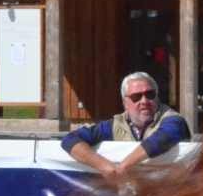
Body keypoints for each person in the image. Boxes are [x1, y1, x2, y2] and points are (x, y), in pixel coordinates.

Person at [60, 71, 191, 178]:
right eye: (136, 97)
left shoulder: (174, 120)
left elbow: (163, 138)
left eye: (150, 94)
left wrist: (124, 166)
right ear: (125, 103)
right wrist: (105, 167)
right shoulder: (114, 125)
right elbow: (70, 140)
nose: (144, 101)